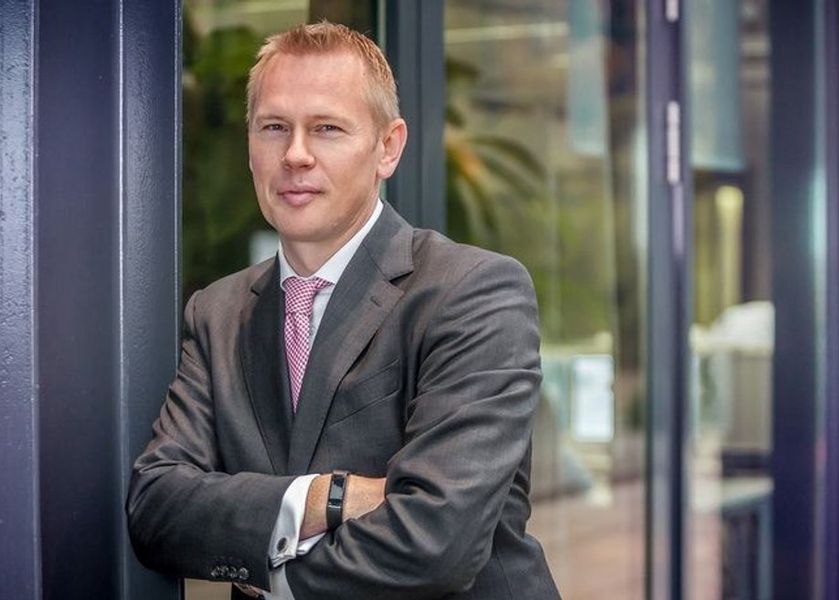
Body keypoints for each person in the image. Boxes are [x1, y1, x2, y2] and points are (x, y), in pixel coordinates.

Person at [127, 21, 560, 600]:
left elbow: (437, 544)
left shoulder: (472, 293)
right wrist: (328, 498)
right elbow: (157, 510)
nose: (295, 155)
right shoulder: (218, 313)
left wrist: (266, 566)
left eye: (326, 128)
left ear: (388, 147)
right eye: (274, 127)